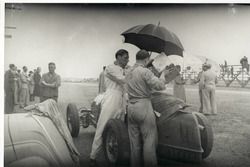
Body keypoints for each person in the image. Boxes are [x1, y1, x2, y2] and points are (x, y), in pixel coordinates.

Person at [126, 50, 167, 167]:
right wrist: (163, 75)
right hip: (143, 105)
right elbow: (160, 86)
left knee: (134, 143)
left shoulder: (128, 71)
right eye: (148, 60)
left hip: (131, 106)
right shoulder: (145, 72)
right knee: (149, 140)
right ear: (145, 60)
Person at [89, 49, 129, 167]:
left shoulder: (125, 68)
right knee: (102, 125)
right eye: (125, 57)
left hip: (122, 99)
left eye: (128, 58)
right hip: (111, 97)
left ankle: (115, 153)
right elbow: (122, 80)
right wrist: (133, 73)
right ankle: (93, 156)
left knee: (119, 128)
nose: (127, 60)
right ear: (118, 57)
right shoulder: (110, 68)